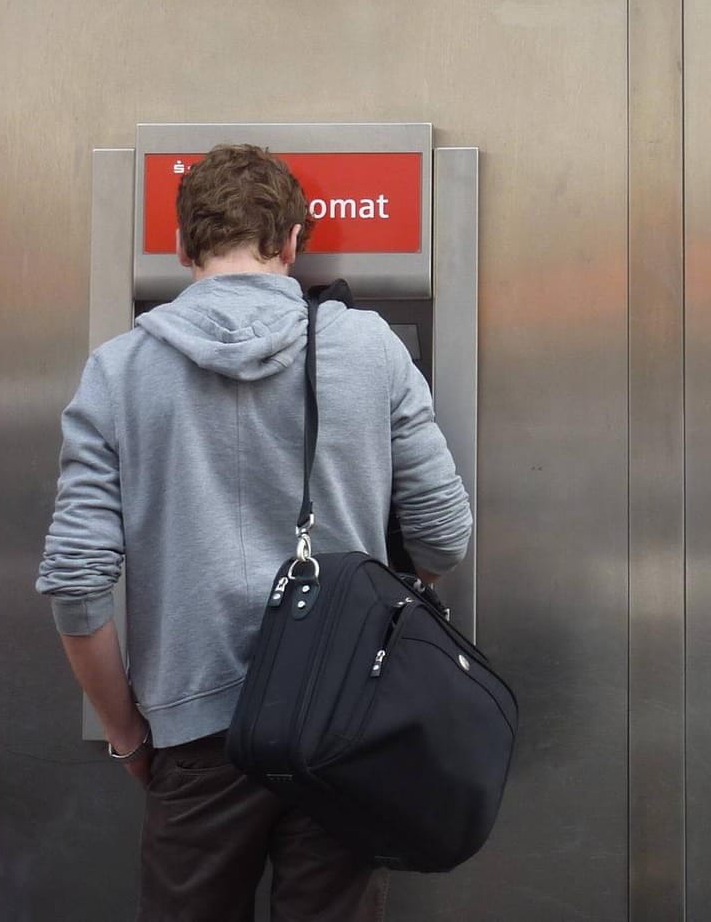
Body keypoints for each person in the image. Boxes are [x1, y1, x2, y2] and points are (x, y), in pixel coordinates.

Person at [36, 143, 472, 920]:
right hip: (342, 726)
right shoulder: (370, 347)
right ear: (293, 241)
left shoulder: (119, 370)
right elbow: (442, 537)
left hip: (195, 737)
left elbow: (76, 584)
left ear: (179, 246)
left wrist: (131, 735)